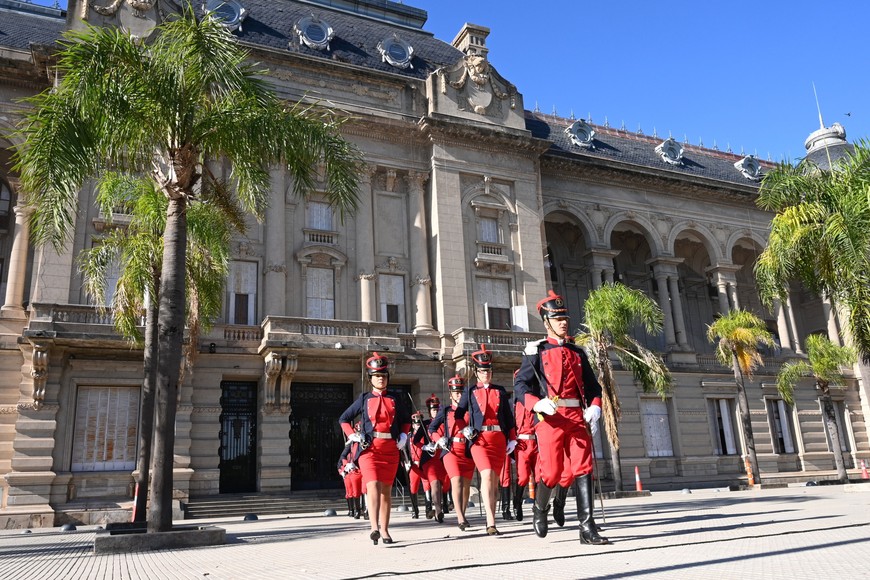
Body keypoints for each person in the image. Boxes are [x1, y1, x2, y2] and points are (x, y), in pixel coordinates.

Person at [514, 290, 610, 545]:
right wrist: (537, 404)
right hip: (550, 418)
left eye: (565, 318)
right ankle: (540, 508)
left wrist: (596, 407)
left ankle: (587, 528)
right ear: (547, 323)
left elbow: (593, 388)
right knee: (553, 472)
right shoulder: (536, 351)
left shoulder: (578, 352)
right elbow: (521, 386)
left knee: (583, 469)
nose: (563, 322)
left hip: (577, 417)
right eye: (558, 319)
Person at [339, 352, 410, 545]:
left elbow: (405, 420)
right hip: (370, 450)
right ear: (370, 378)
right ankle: (374, 528)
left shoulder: (396, 398)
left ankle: (385, 530)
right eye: (377, 375)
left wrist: (404, 435)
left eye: (383, 375)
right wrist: (351, 434)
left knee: (386, 490)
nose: (381, 378)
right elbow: (344, 418)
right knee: (372, 485)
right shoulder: (363, 399)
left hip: (390, 449)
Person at [454, 345, 517, 536]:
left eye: (488, 370)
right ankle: (490, 521)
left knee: (494, 481)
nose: (486, 374)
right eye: (482, 371)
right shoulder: (470, 391)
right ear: (476, 372)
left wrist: (512, 439)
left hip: (498, 438)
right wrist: (464, 429)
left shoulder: (500, 390)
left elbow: (508, 417)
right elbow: (458, 414)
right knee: (487, 475)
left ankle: (493, 519)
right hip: (479, 439)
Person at [428, 374, 475, 531]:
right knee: (457, 482)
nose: (459, 395)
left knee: (466, 485)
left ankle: (463, 512)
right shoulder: (446, 411)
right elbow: (432, 428)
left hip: (468, 450)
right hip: (451, 451)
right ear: (451, 394)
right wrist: (438, 439)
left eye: (461, 392)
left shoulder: (470, 410)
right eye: (456, 392)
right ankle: (460, 518)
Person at [409, 408, 446, 522]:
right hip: (429, 458)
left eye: (437, 409)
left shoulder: (445, 422)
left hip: (442, 456)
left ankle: (440, 506)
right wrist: (425, 447)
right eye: (432, 410)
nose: (435, 412)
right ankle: (438, 510)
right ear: (429, 412)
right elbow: (415, 440)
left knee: (440, 484)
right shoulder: (425, 424)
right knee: (434, 482)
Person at [511, 375, 539, 522]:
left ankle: (538, 506)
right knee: (522, 477)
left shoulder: (537, 400)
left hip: (537, 443)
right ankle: (517, 503)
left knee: (540, 476)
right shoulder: (514, 404)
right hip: (521, 444)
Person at [338, 423, 364, 519]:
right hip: (355, 471)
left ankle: (366, 510)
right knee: (354, 491)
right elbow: (342, 457)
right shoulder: (352, 443)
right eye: (357, 432)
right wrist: (346, 465)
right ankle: (356, 510)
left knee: (365, 490)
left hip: (365, 469)